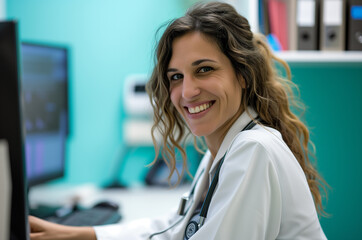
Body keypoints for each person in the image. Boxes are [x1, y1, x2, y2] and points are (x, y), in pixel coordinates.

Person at [29, 2, 328, 239]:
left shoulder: (253, 150)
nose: (187, 91)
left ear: (243, 74)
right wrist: (85, 234)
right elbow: (176, 228)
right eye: (176, 77)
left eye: (204, 69)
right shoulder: (224, 149)